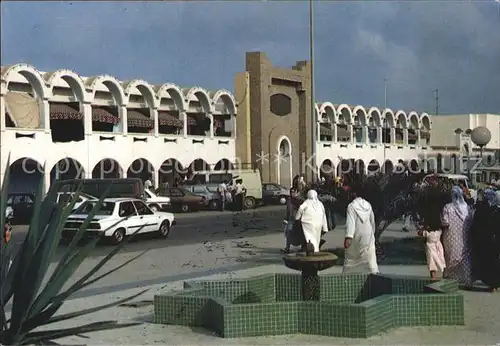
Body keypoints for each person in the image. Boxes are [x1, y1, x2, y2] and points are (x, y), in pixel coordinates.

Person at [441, 185, 474, 288]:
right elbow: (471, 220)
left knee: (451, 256)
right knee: (465, 257)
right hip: (465, 235)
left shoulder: (448, 207)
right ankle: (468, 281)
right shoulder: (467, 208)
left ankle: (449, 280)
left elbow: (445, 222)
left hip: (451, 235)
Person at [343, 184, 379, 274]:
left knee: (351, 257)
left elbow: (350, 222)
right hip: (368, 234)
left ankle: (346, 277)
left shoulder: (351, 206)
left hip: (357, 234)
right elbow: (372, 221)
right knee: (370, 256)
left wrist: (348, 237)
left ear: (354, 194)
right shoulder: (368, 205)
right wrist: (373, 233)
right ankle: (374, 274)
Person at [471, 188, 500, 291]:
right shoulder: (494, 209)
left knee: (491, 263)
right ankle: (494, 284)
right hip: (493, 241)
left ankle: (493, 284)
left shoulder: (484, 208)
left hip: (489, 240)